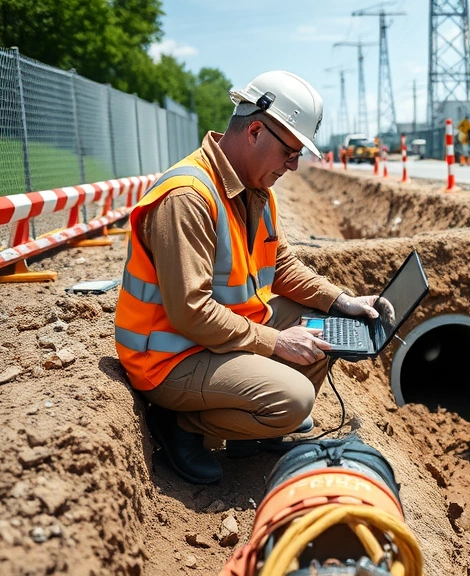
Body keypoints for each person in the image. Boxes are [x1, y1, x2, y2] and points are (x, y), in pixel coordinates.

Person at [114, 70, 380, 485]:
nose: (294, 165)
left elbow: (284, 266)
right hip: (167, 358)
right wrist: (276, 341)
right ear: (255, 130)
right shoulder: (188, 197)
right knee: (296, 401)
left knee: (322, 322)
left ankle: (248, 433)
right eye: (290, 152)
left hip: (212, 339)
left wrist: (342, 300)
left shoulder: (256, 190)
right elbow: (190, 312)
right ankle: (181, 427)